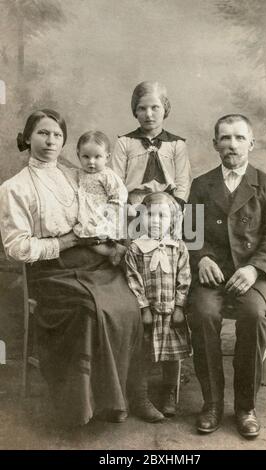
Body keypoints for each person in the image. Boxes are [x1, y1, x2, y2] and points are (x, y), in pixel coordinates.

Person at [0, 109, 153, 427]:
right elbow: (17, 249)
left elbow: (106, 208)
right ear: (28, 138)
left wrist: (111, 241)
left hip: (95, 264)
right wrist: (70, 241)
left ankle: (129, 395)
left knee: (129, 303)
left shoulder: (76, 174)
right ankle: (89, 405)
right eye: (42, 133)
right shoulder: (14, 188)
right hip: (52, 272)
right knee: (90, 309)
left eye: (57, 135)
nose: (50, 141)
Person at [187, 114, 266, 437]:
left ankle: (245, 407)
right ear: (215, 144)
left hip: (253, 275)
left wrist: (254, 268)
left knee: (254, 315)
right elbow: (190, 233)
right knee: (202, 314)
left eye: (239, 138)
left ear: (251, 144)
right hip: (212, 275)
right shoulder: (201, 185)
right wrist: (201, 258)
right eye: (225, 138)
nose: (232, 144)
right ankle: (212, 403)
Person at [125, 192, 191, 420]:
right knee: (142, 354)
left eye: (162, 216)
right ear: (141, 217)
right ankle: (140, 395)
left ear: (172, 220)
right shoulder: (135, 248)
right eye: (150, 214)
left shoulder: (178, 247)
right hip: (149, 314)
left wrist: (180, 307)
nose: (155, 220)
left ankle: (169, 391)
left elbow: (185, 278)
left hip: (171, 312)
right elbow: (133, 280)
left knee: (172, 356)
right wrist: (143, 308)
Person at [110, 81, 191, 210]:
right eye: (142, 108)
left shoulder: (176, 144)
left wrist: (176, 208)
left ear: (165, 109)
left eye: (155, 107)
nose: (148, 114)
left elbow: (183, 182)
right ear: (135, 111)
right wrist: (124, 208)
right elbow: (116, 181)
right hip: (133, 206)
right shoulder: (125, 142)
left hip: (167, 207)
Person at [73, 130, 127, 266]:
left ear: (107, 157)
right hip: (86, 214)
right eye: (86, 157)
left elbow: (119, 195)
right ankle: (111, 252)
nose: (91, 162)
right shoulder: (78, 173)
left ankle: (114, 250)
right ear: (78, 155)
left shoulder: (107, 175)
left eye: (97, 157)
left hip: (102, 214)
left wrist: (108, 214)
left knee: (92, 236)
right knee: (84, 238)